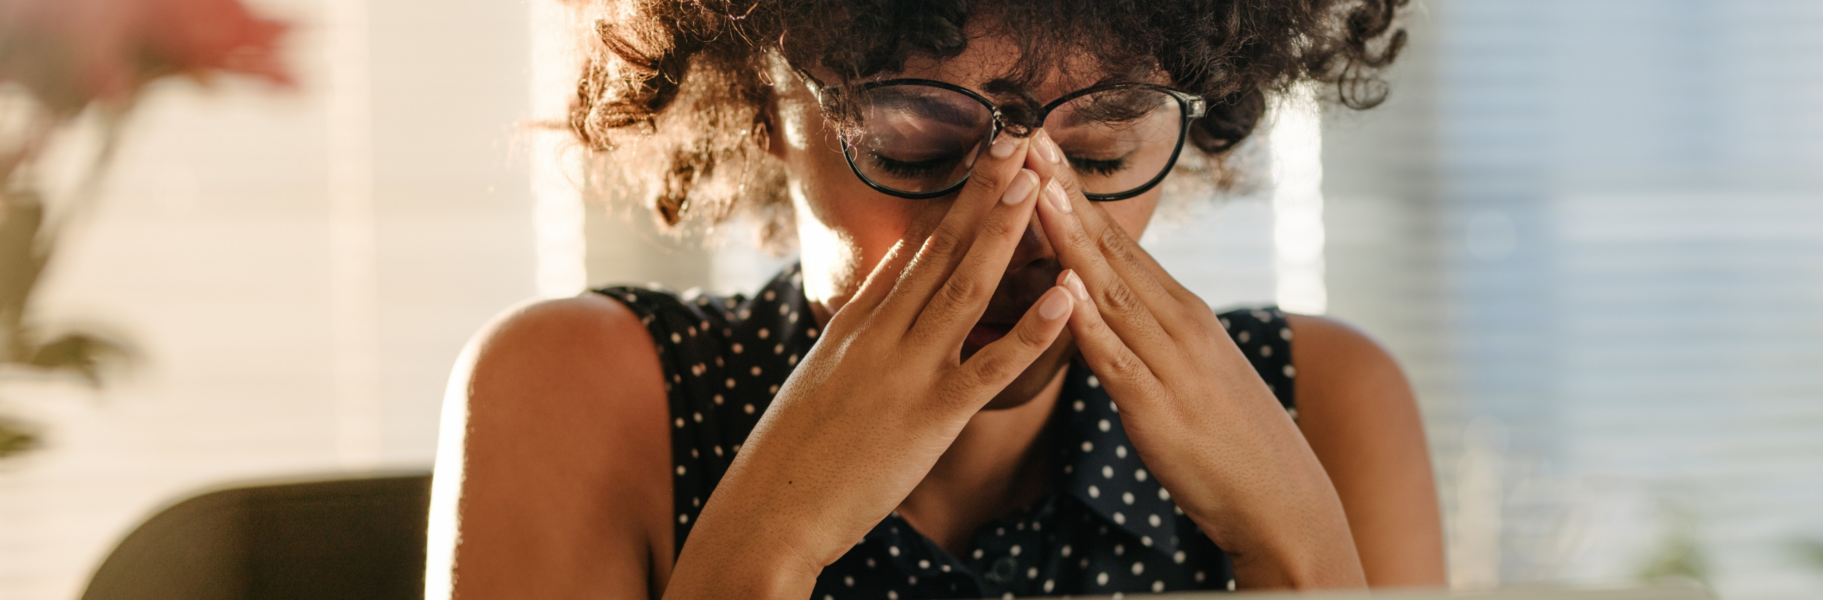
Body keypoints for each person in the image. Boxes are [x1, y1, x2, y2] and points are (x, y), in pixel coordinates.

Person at [429, 0, 1442, 597]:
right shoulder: (582, 389)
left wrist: (1299, 548)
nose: (1021, 218)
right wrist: (764, 546)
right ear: (758, 106)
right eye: (912, 143)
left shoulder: (1325, 401)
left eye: (1096, 149)